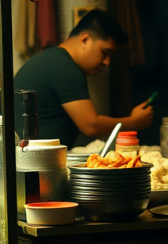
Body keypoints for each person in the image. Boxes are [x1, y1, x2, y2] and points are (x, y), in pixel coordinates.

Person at [13, 9, 154, 147]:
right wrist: (134, 121)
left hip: (29, 154)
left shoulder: (52, 59)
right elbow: (91, 126)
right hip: (36, 158)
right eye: (105, 52)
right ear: (85, 40)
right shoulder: (65, 68)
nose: (107, 62)